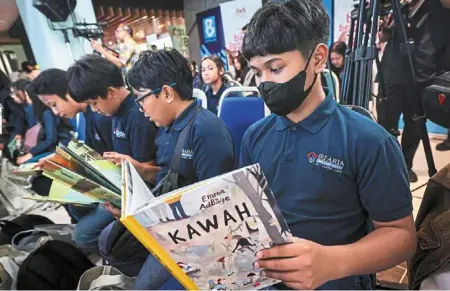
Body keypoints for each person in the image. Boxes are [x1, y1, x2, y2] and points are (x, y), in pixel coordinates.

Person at [239, 0, 415, 289]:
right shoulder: (254, 137)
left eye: (276, 67)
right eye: (258, 73)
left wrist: (331, 262)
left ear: (318, 58)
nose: (265, 83)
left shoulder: (368, 141)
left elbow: (402, 237)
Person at [104, 49, 236, 288]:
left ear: (166, 93)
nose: (141, 108)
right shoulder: (166, 126)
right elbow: (171, 177)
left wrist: (151, 220)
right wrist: (141, 171)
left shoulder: (208, 132)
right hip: (166, 218)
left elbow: (217, 209)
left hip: (192, 235)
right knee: (108, 242)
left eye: (141, 98)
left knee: (142, 284)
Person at [378, 0, 450, 182]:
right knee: (385, 122)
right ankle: (385, 164)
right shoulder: (397, 7)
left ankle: (405, 164)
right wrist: (387, 30)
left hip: (423, 75)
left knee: (415, 124)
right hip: (392, 73)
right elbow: (382, 37)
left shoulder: (439, 7)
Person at [67, 54, 159, 184]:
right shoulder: (115, 113)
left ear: (111, 92)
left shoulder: (137, 117)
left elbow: (147, 174)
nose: (94, 110)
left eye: (94, 103)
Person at [18, 78, 74, 165]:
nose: (27, 99)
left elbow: (51, 139)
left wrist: (31, 153)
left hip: (60, 147)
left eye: (27, 95)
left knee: (29, 162)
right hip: (53, 147)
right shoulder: (41, 112)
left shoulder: (47, 113)